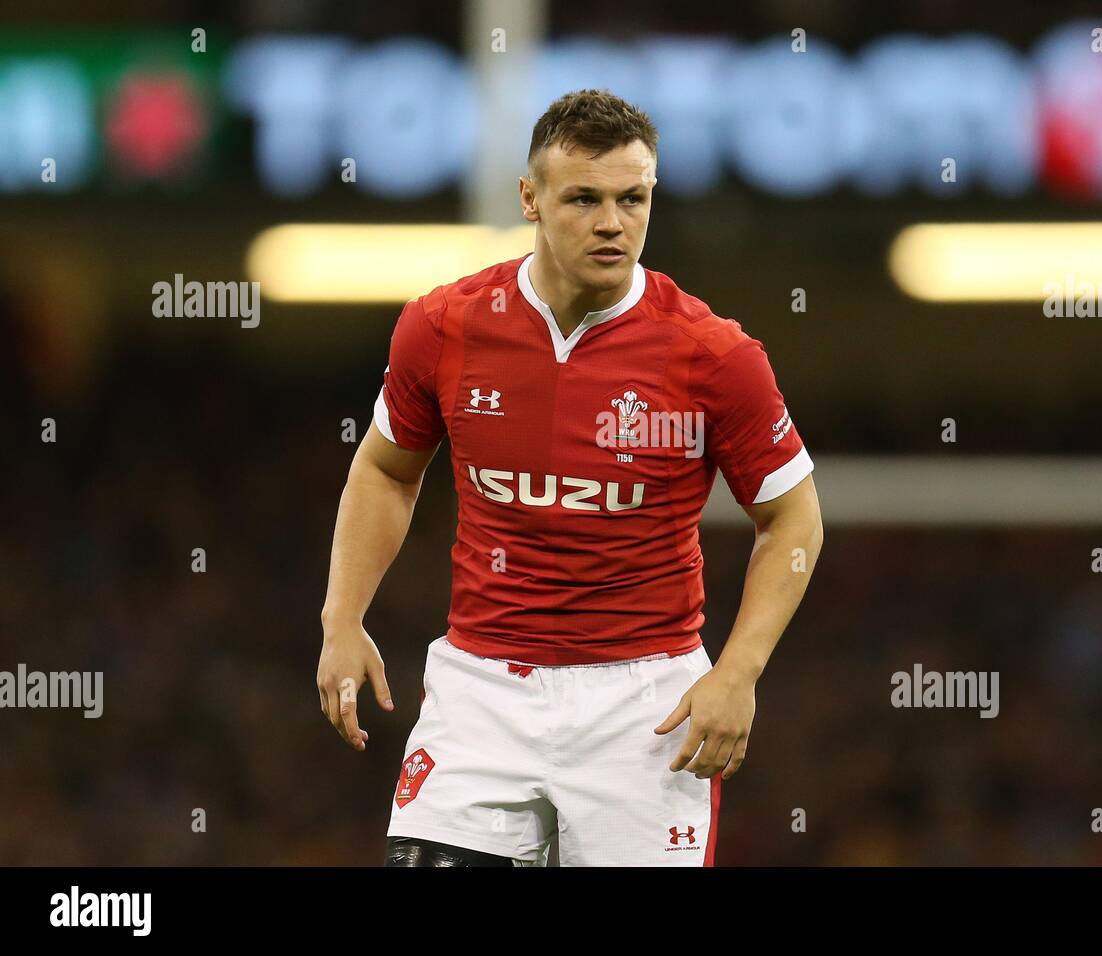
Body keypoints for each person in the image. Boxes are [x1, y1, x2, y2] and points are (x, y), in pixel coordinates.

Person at [317, 88, 823, 866]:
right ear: (530, 198)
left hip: (646, 703)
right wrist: (342, 618)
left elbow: (792, 519)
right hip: (483, 686)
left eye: (633, 198)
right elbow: (386, 472)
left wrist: (738, 672)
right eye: (584, 198)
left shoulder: (715, 357)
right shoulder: (445, 325)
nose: (612, 222)